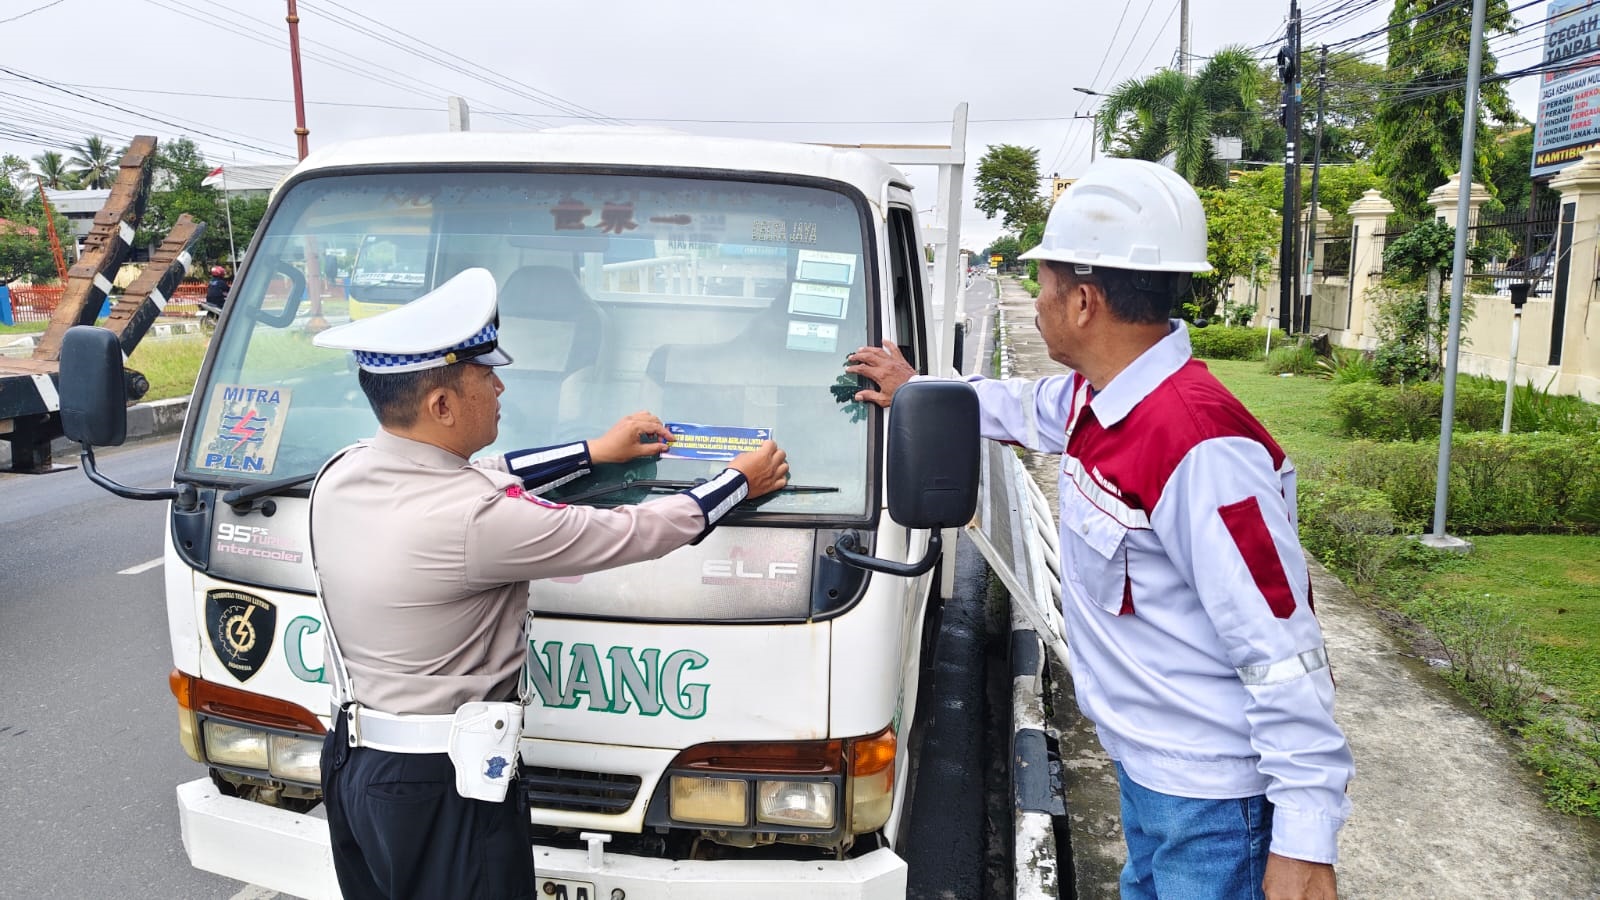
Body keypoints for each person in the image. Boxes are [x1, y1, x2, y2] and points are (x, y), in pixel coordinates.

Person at [846, 159, 1352, 900]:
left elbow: (1283, 650)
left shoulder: (1200, 447)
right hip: (1151, 777)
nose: (1039, 300)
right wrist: (921, 391)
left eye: (1043, 284)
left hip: (1214, 810)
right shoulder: (1100, 399)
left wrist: (1305, 840)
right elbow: (1017, 406)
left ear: (1083, 301)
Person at [308, 267, 789, 900]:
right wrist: (735, 483)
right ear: (442, 404)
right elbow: (627, 531)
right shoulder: (474, 522)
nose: (501, 386)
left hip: (357, 767)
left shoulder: (345, 470)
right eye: (485, 375)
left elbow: (489, 472)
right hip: (444, 786)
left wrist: (595, 450)